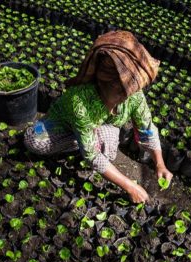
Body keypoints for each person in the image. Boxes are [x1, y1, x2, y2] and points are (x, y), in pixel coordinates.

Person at [24, 30, 173, 203]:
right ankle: (79, 143)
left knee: (109, 148)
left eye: (129, 90)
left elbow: (147, 129)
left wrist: (160, 164)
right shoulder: (80, 101)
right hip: (60, 126)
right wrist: (130, 186)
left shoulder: (133, 96)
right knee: (33, 140)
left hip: (92, 130)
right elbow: (92, 155)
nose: (125, 96)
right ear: (101, 82)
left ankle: (83, 142)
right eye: (119, 91)